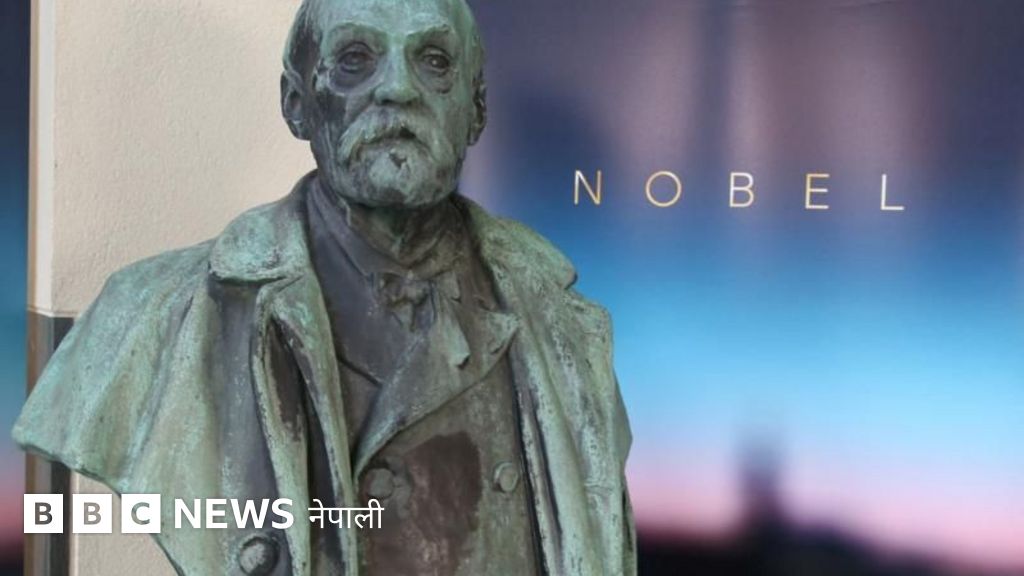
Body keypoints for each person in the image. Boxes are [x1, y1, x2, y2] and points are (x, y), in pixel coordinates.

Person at [14, 0, 635, 574]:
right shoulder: (151, 317)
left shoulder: (567, 330)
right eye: (355, 59)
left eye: (433, 60)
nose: (397, 89)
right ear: (296, 103)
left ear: (476, 109)